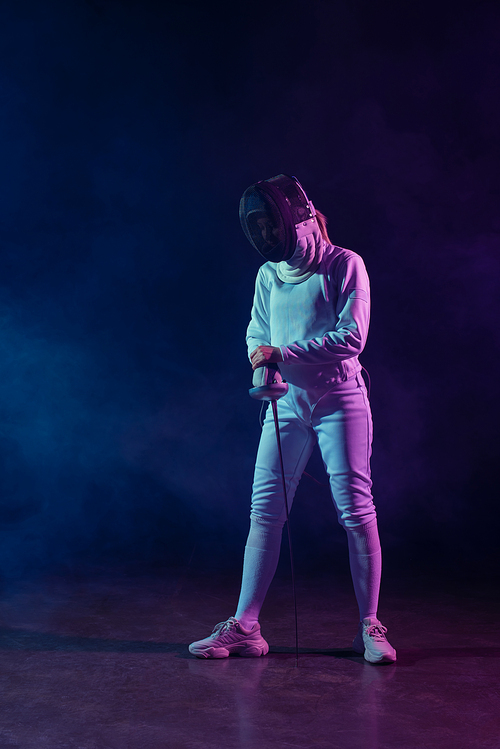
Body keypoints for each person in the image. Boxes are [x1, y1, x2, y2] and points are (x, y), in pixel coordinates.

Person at [189, 174, 396, 664]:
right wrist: (262, 360)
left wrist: (281, 350)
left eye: (270, 225)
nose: (264, 237)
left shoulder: (346, 265)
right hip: (284, 403)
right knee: (264, 512)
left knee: (355, 510)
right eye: (256, 229)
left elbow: (352, 338)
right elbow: (256, 331)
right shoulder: (267, 276)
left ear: (299, 220)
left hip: (340, 398)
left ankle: (370, 625)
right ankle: (245, 627)